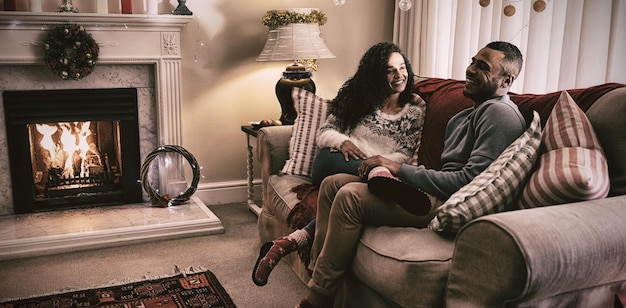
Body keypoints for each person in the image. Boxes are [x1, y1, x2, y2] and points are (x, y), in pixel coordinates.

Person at [296, 41, 526, 308]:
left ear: (506, 81)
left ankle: (316, 300)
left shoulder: (500, 114)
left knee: (350, 197)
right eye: (473, 61)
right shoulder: (466, 115)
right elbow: (449, 172)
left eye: (482, 67)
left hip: (452, 201)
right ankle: (320, 279)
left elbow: (468, 182)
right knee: (333, 183)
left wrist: (399, 169)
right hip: (439, 188)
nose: (471, 69)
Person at [252, 42, 428, 287]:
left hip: (372, 174)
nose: (399, 75)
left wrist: (380, 163)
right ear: (376, 74)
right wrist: (343, 142)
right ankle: (376, 176)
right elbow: (325, 132)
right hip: (336, 162)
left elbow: (405, 154)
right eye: (390, 70)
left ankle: (286, 244)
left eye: (402, 68)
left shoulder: (415, 110)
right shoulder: (359, 98)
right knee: (345, 166)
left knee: (344, 201)